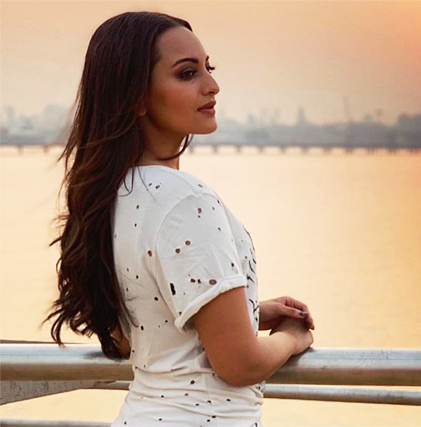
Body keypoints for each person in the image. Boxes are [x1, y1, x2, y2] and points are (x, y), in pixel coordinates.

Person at [45, 11, 314, 427]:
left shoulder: (114, 195)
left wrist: (245, 313)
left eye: (208, 68)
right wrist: (291, 339)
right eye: (187, 73)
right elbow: (239, 364)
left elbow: (137, 333)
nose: (212, 85)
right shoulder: (185, 199)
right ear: (135, 96)